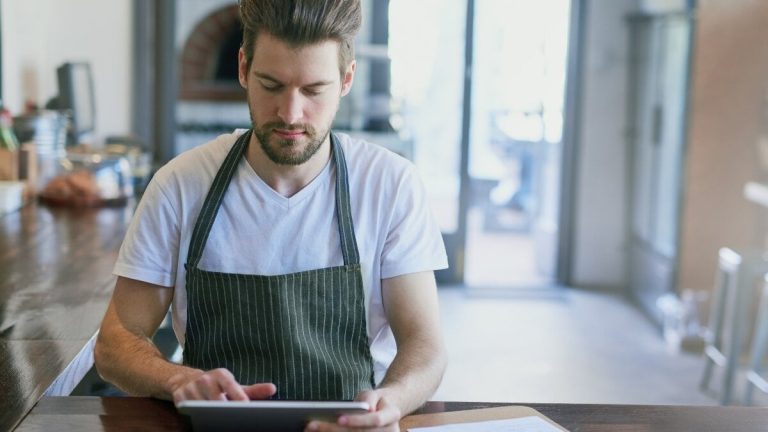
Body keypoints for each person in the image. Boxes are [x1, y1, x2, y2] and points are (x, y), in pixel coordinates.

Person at [93, 0, 448, 430]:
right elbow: (115, 344)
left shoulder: (390, 186)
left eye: (314, 90)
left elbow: (425, 344)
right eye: (271, 85)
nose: (290, 114)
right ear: (243, 68)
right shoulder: (180, 186)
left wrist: (391, 402)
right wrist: (176, 379)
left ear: (346, 79)